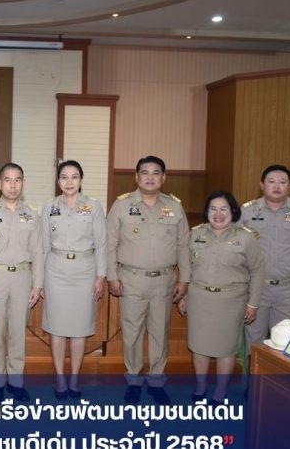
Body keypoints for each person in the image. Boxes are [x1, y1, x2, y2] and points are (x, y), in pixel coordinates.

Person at [106, 155, 190, 405]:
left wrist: (185, 279)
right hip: (131, 279)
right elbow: (109, 244)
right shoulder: (122, 205)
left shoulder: (174, 206)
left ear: (163, 178)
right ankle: (133, 380)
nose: (150, 177)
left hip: (164, 281)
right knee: (131, 332)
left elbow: (184, 245)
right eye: (145, 172)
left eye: (156, 173)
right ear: (136, 177)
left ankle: (155, 381)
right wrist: (111, 276)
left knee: (159, 333)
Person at [177, 191, 265, 404]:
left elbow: (258, 272)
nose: (218, 214)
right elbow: (187, 268)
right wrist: (184, 295)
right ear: (207, 212)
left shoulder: (246, 237)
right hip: (199, 299)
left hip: (231, 302)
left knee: (226, 349)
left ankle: (220, 392)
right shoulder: (195, 234)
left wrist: (253, 304)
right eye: (213, 209)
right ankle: (201, 387)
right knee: (199, 346)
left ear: (233, 211)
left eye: (223, 209)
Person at [0, 162, 44, 403]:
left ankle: (16, 382)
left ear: (23, 183)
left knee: (18, 334)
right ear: (0, 183)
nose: (12, 185)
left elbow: (38, 251)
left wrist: (38, 284)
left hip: (23, 278)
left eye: (17, 180)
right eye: (8, 180)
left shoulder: (32, 214)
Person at [40, 160, 106, 400]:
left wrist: (101, 276)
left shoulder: (93, 207)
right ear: (58, 181)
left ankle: (75, 376)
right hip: (55, 271)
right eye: (64, 177)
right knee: (57, 328)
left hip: (85, 271)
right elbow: (43, 246)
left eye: (74, 176)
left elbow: (101, 244)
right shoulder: (49, 207)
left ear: (81, 179)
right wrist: (41, 280)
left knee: (79, 328)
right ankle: (60, 376)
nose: (69, 182)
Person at [241, 165, 290, 349]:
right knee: (253, 341)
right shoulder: (246, 212)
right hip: (255, 288)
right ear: (262, 185)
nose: (277, 186)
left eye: (282, 182)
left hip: (288, 290)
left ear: (289, 185)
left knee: (285, 342)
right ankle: (253, 370)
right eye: (271, 181)